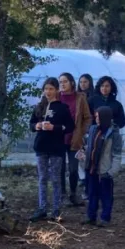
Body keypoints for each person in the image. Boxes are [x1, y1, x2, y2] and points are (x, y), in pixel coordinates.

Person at [28, 78, 74, 223]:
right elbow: (31, 124)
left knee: (55, 179)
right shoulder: (39, 107)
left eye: (51, 89)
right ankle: (42, 208)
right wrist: (38, 126)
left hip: (56, 148)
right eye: (46, 89)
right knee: (42, 179)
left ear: (56, 90)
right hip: (41, 147)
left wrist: (54, 127)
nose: (48, 92)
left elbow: (70, 127)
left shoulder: (62, 108)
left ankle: (56, 210)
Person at [80, 106, 123, 227]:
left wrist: (112, 171)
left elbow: (116, 155)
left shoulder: (114, 134)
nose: (96, 118)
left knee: (106, 196)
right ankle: (91, 217)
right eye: (96, 116)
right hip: (91, 169)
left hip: (105, 171)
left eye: (98, 116)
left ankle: (105, 218)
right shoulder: (93, 129)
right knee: (92, 194)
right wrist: (83, 156)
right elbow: (89, 147)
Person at [58, 73, 91, 207]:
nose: (62, 84)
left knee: (73, 169)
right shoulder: (56, 97)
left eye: (65, 81)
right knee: (60, 168)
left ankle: (73, 194)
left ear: (72, 82)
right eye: (60, 82)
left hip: (74, 139)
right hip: (58, 139)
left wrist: (81, 132)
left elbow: (87, 117)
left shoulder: (80, 98)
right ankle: (62, 195)